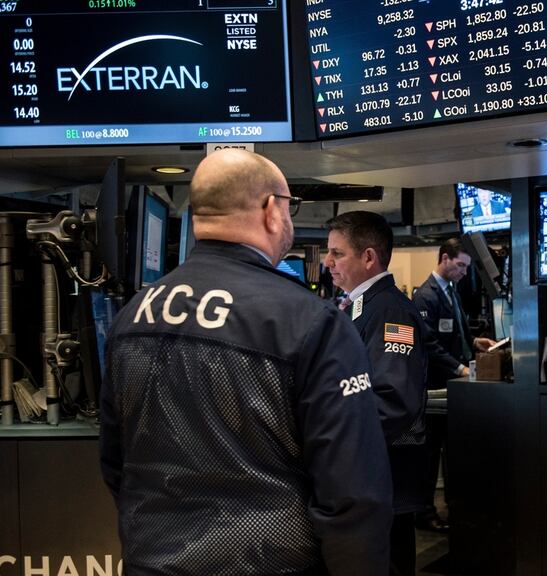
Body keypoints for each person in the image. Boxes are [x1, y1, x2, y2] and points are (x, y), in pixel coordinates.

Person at [99, 150, 392, 575]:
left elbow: (115, 463)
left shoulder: (132, 316)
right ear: (271, 210)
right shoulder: (310, 322)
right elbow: (353, 494)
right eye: (290, 207)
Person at [325, 211, 430, 576]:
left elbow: (392, 400)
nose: (328, 263)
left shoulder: (391, 313)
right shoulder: (362, 306)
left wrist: (329, 440)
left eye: (337, 254)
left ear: (368, 257)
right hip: (365, 479)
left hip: (383, 479)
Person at [412, 238, 496, 532]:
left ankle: (455, 507)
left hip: (454, 387)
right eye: (460, 265)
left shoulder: (451, 292)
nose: (463, 272)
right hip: (436, 388)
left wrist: (474, 342)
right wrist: (460, 367)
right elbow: (429, 344)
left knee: (452, 451)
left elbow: (452, 330)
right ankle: (423, 513)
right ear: (444, 259)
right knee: (430, 453)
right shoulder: (426, 296)